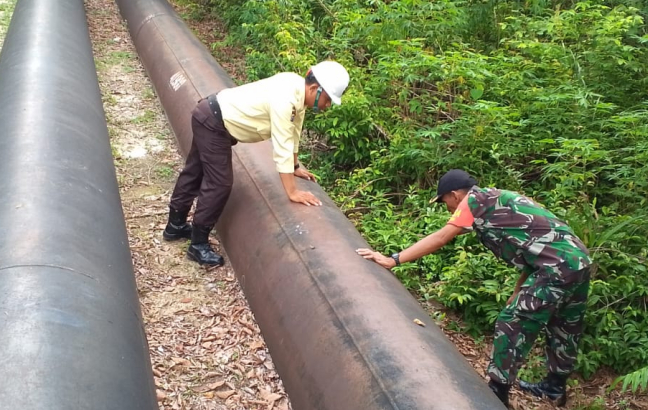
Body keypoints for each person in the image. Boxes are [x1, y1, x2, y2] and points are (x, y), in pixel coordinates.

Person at [356, 169, 592, 408]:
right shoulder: (496, 199)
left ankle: (496, 393)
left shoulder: (474, 201)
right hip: (577, 261)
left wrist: (392, 259)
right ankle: (554, 388)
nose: (445, 206)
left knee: (511, 322)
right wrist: (518, 290)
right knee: (564, 324)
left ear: (455, 194)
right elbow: (535, 250)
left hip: (556, 268)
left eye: (444, 201)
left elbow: (441, 237)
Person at [163, 61, 350, 266]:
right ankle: (198, 244)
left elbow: (294, 133)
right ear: (315, 88)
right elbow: (282, 145)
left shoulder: (297, 92)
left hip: (210, 115)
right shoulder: (286, 99)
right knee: (220, 183)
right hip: (213, 123)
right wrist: (292, 192)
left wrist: (295, 167)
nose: (327, 105)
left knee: (195, 171)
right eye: (327, 99)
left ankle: (175, 226)